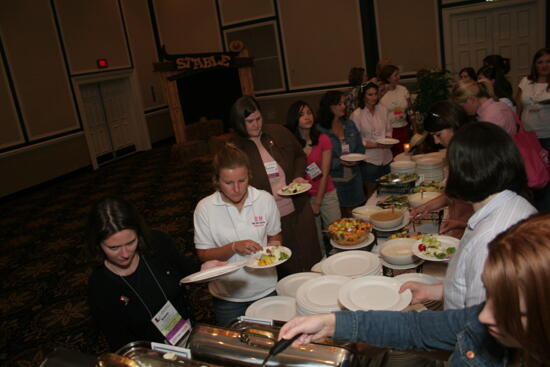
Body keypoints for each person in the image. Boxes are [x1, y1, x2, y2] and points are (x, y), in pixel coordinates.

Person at [279, 212, 550, 366]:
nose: (484, 315)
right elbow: (415, 328)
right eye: (491, 295)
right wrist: (330, 324)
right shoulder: (481, 322)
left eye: (510, 308)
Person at [404, 122, 536, 310]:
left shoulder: (489, 240)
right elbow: (470, 287)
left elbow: (474, 325)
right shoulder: (515, 205)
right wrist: (433, 291)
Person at [87, 197, 222, 350]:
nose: (125, 254)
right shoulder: (100, 286)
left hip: (186, 334)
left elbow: (185, 269)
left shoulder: (158, 244)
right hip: (150, 354)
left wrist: (204, 268)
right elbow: (118, 340)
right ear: (98, 244)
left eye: (131, 242)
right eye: (113, 247)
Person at [230, 96, 321, 277]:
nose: (256, 125)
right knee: (285, 263)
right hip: (269, 218)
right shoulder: (235, 149)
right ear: (240, 123)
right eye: (250, 121)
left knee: (310, 255)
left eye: (258, 119)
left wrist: (296, 176)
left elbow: (299, 156)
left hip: (298, 207)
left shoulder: (278, 132)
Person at [193, 143, 282, 326]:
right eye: (228, 183)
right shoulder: (205, 208)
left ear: (249, 175)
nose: (237, 188)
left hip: (265, 289)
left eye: (242, 181)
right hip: (228, 296)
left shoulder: (264, 200)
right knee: (235, 348)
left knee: (270, 343)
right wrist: (233, 247)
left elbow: (275, 237)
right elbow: (203, 254)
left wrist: (275, 248)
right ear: (217, 180)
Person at [286, 100, 341, 257]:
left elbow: (323, 173)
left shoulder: (323, 139)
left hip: (327, 193)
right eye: (301, 114)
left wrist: (318, 201)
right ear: (294, 119)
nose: (307, 117)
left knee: (336, 233)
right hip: (304, 197)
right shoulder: (292, 143)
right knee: (314, 239)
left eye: (309, 113)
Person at [410, 100, 472, 239]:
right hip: (459, 225)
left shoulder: (471, 156)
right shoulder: (455, 151)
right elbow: (454, 194)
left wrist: (461, 224)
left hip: (470, 230)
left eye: (438, 135)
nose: (436, 142)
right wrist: (426, 207)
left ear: (455, 126)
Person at [317, 91, 366, 217]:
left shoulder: (349, 124)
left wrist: (358, 158)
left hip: (354, 178)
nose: (343, 106)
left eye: (343, 103)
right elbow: (317, 160)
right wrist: (338, 162)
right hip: (333, 182)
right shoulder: (320, 130)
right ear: (329, 107)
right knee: (340, 219)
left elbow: (360, 148)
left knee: (357, 216)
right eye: (339, 104)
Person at [349, 82, 393, 199]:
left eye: (375, 94)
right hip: (369, 159)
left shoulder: (382, 109)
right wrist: (376, 145)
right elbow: (357, 140)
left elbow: (389, 129)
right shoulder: (357, 115)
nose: (374, 97)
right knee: (371, 192)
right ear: (363, 96)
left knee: (388, 190)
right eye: (370, 95)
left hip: (386, 156)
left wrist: (388, 140)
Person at [451, 79, 516, 135]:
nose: (463, 110)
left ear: (471, 99)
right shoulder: (499, 105)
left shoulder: (489, 118)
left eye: (461, 106)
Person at [516, 48, 550, 152]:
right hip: (528, 132)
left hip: (547, 134)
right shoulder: (526, 81)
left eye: (548, 61)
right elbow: (519, 104)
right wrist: (517, 124)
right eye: (540, 62)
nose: (544, 65)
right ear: (535, 65)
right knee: (532, 166)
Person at [378, 64, 413, 155]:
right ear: (388, 78)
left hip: (404, 128)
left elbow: (410, 110)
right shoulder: (381, 92)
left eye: (398, 74)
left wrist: (415, 128)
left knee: (405, 154)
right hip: (389, 131)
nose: (399, 77)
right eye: (396, 75)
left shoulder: (403, 90)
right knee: (392, 156)